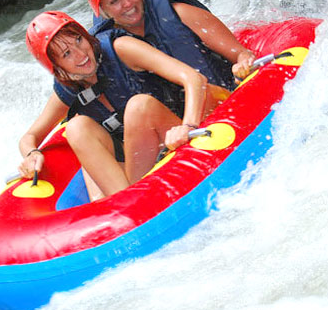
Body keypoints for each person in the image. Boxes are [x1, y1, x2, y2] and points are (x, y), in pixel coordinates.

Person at [17, 11, 227, 200]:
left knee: (138, 106)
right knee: (76, 127)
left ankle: (129, 199)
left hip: (177, 135)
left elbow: (194, 79)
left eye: (79, 40)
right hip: (140, 163)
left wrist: (188, 126)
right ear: (57, 68)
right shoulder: (68, 90)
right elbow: (29, 138)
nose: (81, 54)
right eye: (66, 54)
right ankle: (126, 205)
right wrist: (31, 155)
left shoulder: (120, 48)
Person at [82, 0, 258, 89]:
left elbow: (242, 54)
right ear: (103, 12)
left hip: (222, 92)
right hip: (176, 122)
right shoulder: (114, 49)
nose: (127, 4)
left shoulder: (181, 14)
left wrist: (242, 64)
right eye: (114, 1)